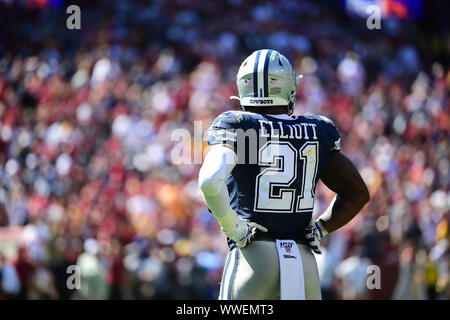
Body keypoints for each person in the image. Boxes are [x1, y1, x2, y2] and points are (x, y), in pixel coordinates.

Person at [198, 49, 370, 300]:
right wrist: (320, 228)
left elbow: (209, 180)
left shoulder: (237, 125)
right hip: (303, 262)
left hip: (254, 259)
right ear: (289, 87)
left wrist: (234, 228)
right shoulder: (317, 129)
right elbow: (357, 193)